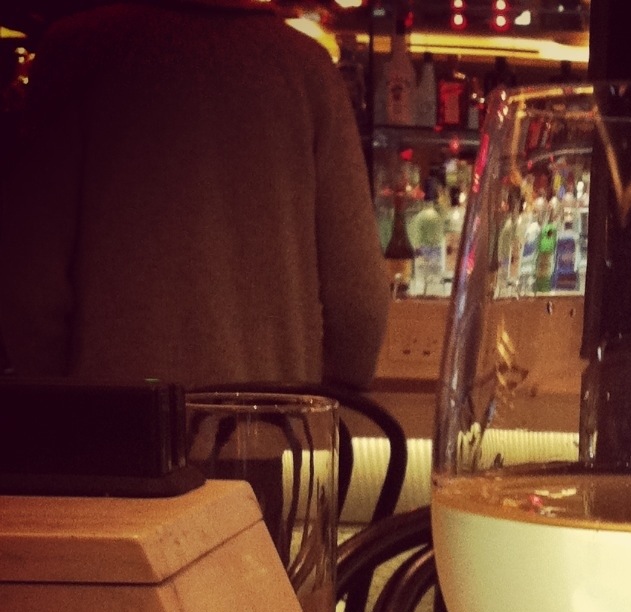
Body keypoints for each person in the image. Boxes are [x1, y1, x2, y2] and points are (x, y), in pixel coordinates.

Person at [0, 0, 390, 389]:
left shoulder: (78, 51)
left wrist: (69, 391)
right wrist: (312, 393)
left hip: (112, 417)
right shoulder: (308, 69)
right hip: (268, 415)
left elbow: (27, 288)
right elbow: (360, 306)